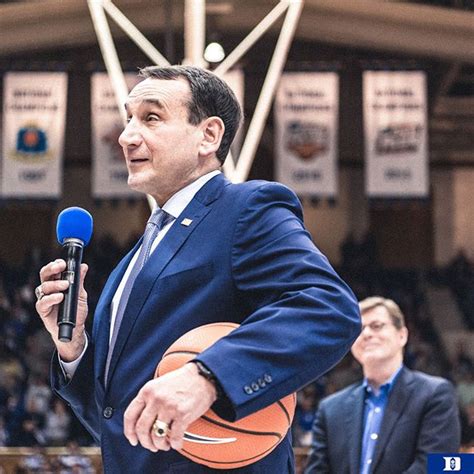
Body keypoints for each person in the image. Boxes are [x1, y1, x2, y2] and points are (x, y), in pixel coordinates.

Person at [35, 65, 361, 473]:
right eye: (128, 118)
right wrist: (73, 347)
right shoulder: (132, 260)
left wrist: (207, 376)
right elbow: (113, 418)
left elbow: (328, 307)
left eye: (151, 117)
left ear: (209, 135)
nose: (127, 135)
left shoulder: (247, 208)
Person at [304, 296, 461, 474]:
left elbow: (437, 467)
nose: (367, 334)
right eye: (359, 329)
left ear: (402, 335)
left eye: (377, 326)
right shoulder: (329, 409)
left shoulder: (436, 394)